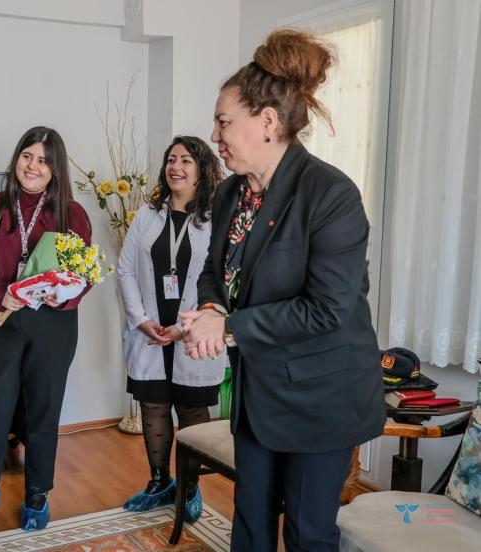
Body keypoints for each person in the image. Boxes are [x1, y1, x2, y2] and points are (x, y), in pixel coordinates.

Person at [180, 29, 385, 551]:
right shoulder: (230, 193)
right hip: (258, 393)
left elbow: (327, 309)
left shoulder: (331, 194)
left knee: (307, 533)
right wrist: (210, 308)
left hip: (322, 398)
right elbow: (214, 271)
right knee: (249, 523)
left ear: (267, 122)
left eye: (224, 121)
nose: (215, 134)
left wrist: (227, 326)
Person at [0, 126, 91, 531]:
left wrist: (62, 294)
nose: (33, 166)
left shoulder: (72, 214)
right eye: (27, 156)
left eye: (44, 160)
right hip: (4, 319)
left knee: (43, 411)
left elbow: (84, 276)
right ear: (17, 158)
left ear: (56, 168)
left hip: (54, 325)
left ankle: (37, 494)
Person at [117, 136, 225, 521]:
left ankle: (190, 487)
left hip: (193, 331)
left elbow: (222, 278)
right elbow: (125, 269)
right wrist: (141, 320)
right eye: (171, 159)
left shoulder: (216, 219)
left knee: (192, 410)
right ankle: (160, 482)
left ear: (202, 170)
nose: (175, 167)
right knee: (154, 405)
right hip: (150, 330)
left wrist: (185, 327)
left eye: (186, 160)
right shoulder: (148, 215)